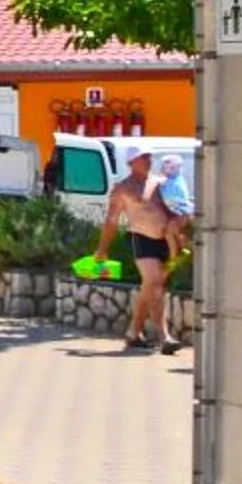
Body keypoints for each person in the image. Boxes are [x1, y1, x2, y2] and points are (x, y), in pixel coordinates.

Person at [95, 148, 184, 353]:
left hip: (168, 242)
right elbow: (111, 221)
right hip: (143, 239)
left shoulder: (161, 182)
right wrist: (102, 250)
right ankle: (164, 336)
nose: (149, 159)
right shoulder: (123, 189)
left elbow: (178, 207)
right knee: (154, 282)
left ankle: (133, 332)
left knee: (150, 286)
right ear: (132, 162)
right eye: (144, 157)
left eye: (149, 156)